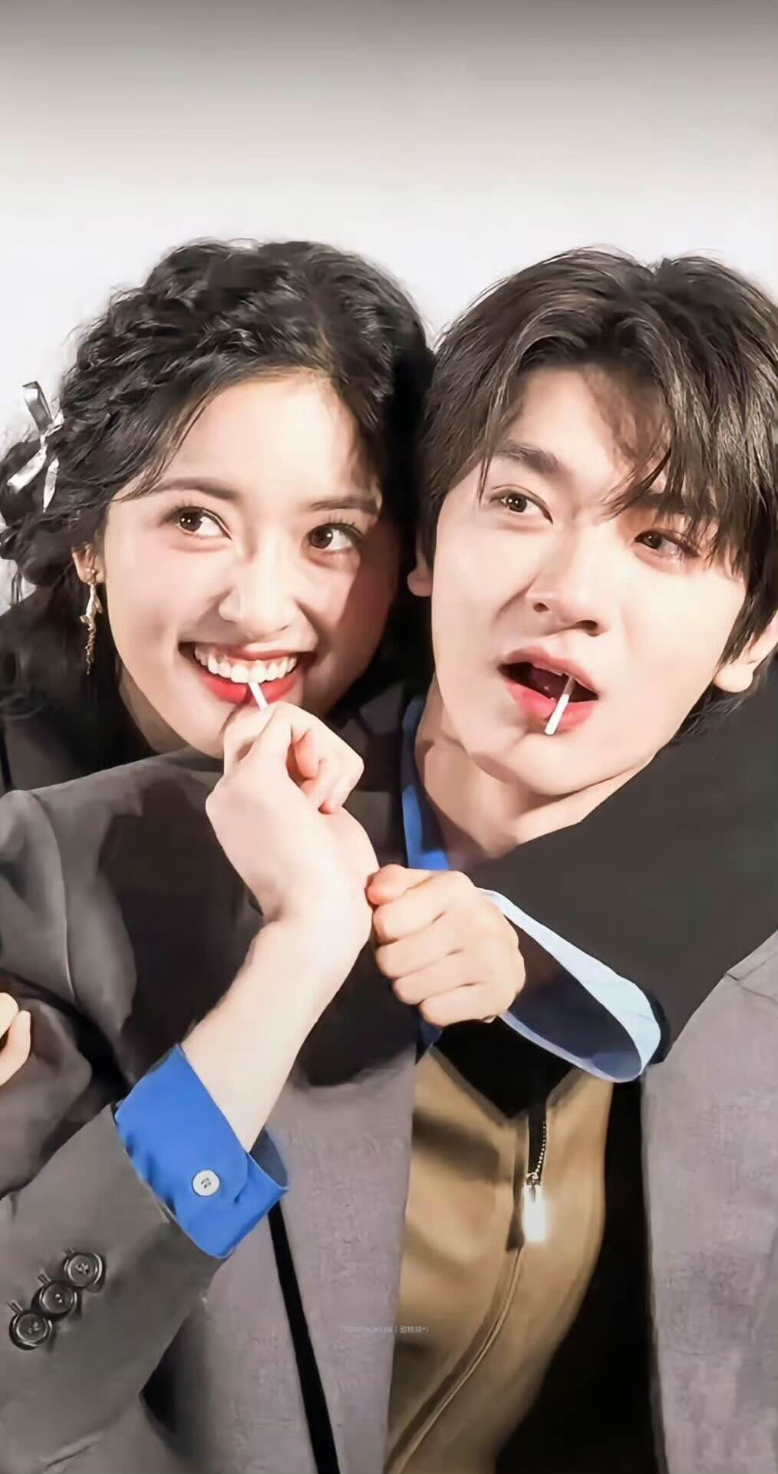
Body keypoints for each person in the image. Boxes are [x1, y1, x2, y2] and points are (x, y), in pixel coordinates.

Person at [0, 250, 777, 1474]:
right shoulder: (69, 859)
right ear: (433, 546)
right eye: (518, 502)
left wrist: (539, 934)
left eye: (663, 537)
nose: (571, 588)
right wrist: (297, 956)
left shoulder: (729, 892)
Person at [0, 236, 431, 792]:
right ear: (87, 540)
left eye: (329, 535)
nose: (257, 614)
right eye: (196, 521)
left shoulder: (450, 765)